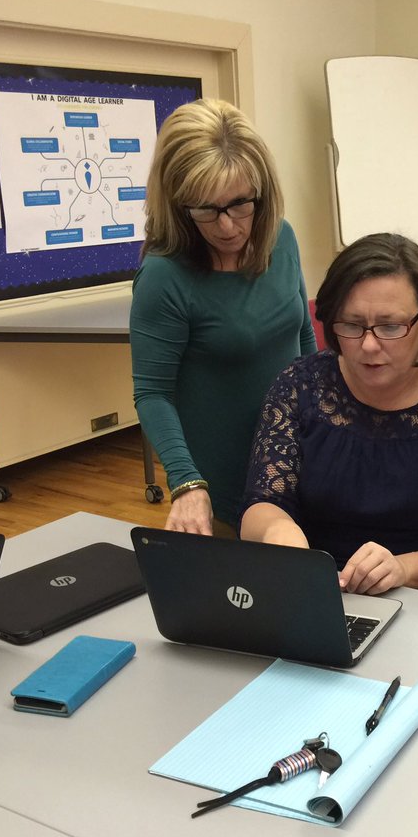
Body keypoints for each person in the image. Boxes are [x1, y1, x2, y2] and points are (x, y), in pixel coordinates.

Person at [239, 232, 418, 609]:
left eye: (390, 327)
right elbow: (262, 502)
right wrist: (279, 531)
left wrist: (403, 569)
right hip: (325, 593)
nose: (369, 345)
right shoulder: (300, 385)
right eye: (351, 325)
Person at [130, 99, 316, 536]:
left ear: (261, 193)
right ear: (178, 204)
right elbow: (153, 393)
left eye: (239, 205)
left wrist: (326, 422)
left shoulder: (281, 238)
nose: (227, 226)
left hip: (296, 463)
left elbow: (304, 335)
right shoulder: (164, 275)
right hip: (223, 485)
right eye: (205, 209)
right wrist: (186, 482)